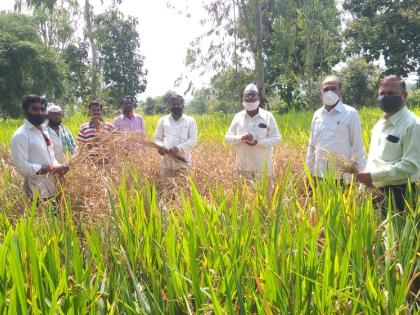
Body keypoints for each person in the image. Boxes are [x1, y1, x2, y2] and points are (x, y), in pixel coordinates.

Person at [357, 75, 419, 212]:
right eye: (382, 93)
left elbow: (410, 166)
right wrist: (363, 187)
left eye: (391, 93)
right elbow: (373, 160)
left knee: (398, 233)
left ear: (405, 95)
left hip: (400, 194)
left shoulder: (413, 125)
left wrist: (373, 177)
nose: (385, 97)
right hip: (375, 191)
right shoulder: (379, 125)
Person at [306, 75, 365, 185]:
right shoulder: (317, 114)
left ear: (340, 92)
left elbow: (358, 146)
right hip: (319, 175)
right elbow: (312, 145)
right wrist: (309, 172)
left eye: (333, 89)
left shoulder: (350, 113)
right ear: (321, 93)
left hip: (343, 176)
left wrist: (361, 176)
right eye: (326, 89)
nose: (330, 92)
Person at [11, 95, 69, 200]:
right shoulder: (21, 135)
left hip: (53, 189)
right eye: (35, 109)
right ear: (25, 113)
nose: (39, 112)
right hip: (37, 194)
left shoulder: (44, 130)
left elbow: (50, 156)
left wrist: (59, 167)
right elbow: (22, 167)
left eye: (42, 109)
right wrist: (50, 168)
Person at [225, 83, 281, 180]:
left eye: (253, 95)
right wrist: (241, 138)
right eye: (247, 95)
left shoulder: (268, 116)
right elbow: (227, 138)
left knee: (265, 194)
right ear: (243, 98)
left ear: (258, 98)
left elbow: (277, 138)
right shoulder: (237, 117)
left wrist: (258, 143)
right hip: (243, 166)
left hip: (263, 167)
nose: (250, 97)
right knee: (243, 193)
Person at [154, 94, 198, 179]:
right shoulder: (163, 120)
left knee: (183, 191)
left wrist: (178, 148)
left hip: (183, 164)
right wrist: (160, 146)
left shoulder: (190, 121)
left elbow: (193, 140)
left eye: (178, 104)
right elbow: (157, 138)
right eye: (173, 104)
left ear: (183, 105)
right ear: (170, 106)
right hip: (166, 164)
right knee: (166, 189)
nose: (176, 106)